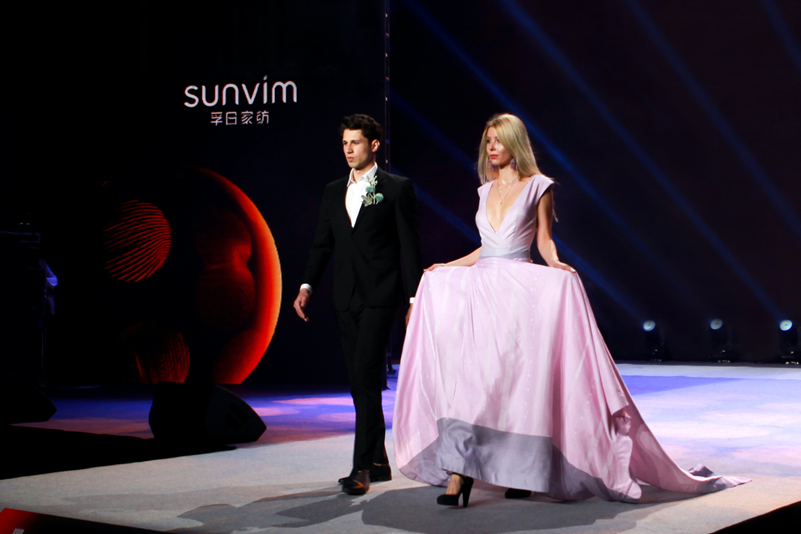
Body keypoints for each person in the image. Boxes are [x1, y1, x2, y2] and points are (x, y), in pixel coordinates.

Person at [393, 113, 747, 507]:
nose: (491, 148)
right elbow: (486, 248)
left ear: (514, 143)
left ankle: (519, 472)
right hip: (481, 293)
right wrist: (448, 266)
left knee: (513, 387)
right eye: (487, 141)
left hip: (519, 295)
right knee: (473, 384)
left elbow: (543, 240)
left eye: (498, 140)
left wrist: (557, 265)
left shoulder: (538, 187)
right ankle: (459, 475)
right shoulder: (485, 191)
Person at [295, 114, 422, 496]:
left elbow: (409, 248)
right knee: (359, 382)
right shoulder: (333, 190)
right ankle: (379, 460)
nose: (349, 149)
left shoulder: (396, 188)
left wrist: (414, 298)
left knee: (365, 373)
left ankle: (361, 466)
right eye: (345, 143)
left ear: (374, 145)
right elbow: (322, 244)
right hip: (344, 296)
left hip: (381, 296)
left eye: (356, 142)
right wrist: (307, 286)